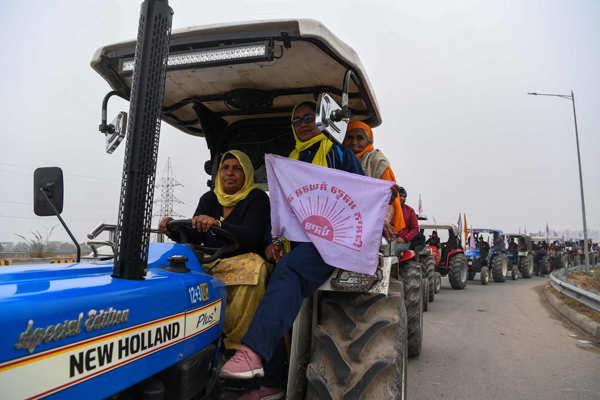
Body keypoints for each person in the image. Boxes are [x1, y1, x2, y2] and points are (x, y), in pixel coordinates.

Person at [220, 101, 365, 400]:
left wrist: (382, 208)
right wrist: (269, 244)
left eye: (309, 118)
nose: (302, 124)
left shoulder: (339, 154)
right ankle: (269, 379)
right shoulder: (288, 162)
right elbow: (279, 209)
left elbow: (361, 194)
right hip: (295, 244)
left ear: (322, 121)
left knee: (290, 270)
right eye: (296, 120)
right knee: (262, 277)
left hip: (331, 243)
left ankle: (252, 354)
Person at [158, 150, 272, 352]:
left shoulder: (257, 198)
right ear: (218, 173)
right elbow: (195, 235)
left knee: (255, 269)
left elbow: (252, 236)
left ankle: (236, 345)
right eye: (225, 168)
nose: (230, 173)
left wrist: (217, 223)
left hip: (244, 258)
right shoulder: (209, 199)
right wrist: (173, 229)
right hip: (212, 261)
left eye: (237, 168)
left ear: (246, 174)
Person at [343, 121, 405, 239]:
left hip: (366, 225)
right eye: (349, 137)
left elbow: (389, 199)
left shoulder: (377, 161)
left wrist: (383, 220)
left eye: (360, 138)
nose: (354, 142)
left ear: (369, 140)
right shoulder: (338, 156)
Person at [396, 187, 419, 252]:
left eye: (404, 196)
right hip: (388, 240)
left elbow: (415, 229)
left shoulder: (410, 210)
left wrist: (405, 239)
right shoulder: (389, 209)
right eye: (400, 195)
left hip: (403, 241)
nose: (402, 198)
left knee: (395, 251)